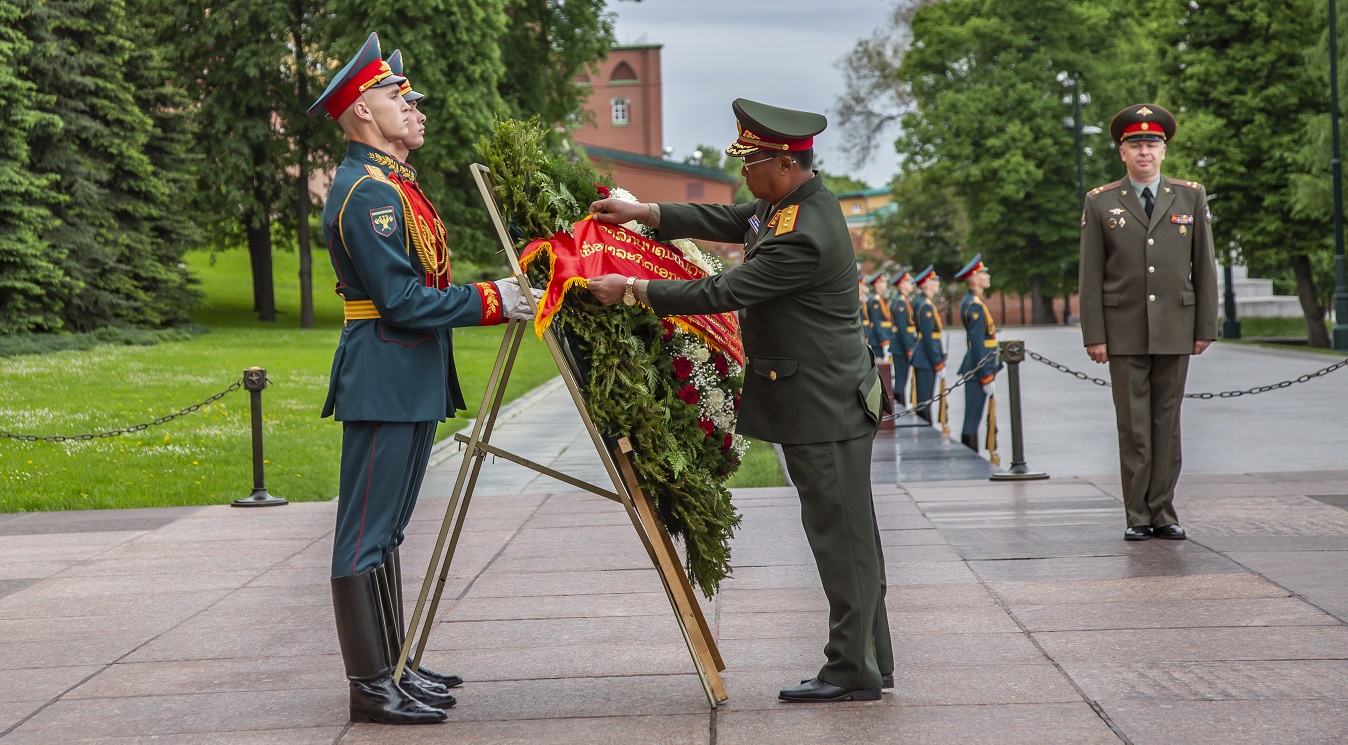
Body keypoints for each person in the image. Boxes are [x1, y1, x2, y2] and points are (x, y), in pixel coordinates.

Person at [585, 98, 892, 703]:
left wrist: (633, 290)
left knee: (841, 536)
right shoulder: (787, 206)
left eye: (751, 163)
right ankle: (869, 661)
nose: (743, 174)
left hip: (823, 403)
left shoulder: (802, 233)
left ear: (783, 162)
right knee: (850, 533)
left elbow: (724, 288)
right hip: (825, 396)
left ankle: (853, 670)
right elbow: (731, 220)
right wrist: (644, 212)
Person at [308, 32, 538, 725]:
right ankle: (370, 684)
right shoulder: (365, 196)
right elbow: (403, 300)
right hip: (384, 370)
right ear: (360, 114)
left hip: (404, 371)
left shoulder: (390, 186)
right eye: (394, 96)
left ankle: (395, 664)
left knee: (390, 529)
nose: (412, 107)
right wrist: (493, 298)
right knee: (363, 533)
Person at [1079, 103, 1217, 542]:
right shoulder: (1101, 202)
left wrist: (1204, 327)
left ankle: (1163, 511)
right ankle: (1137, 514)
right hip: (1123, 330)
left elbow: (1205, 266)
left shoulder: (1190, 195)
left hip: (1176, 326)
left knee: (1166, 423)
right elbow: (1090, 274)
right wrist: (1094, 335)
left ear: (1163, 151)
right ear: (1122, 152)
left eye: (1152, 144)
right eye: (1135, 144)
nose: (1144, 152)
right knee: (1134, 425)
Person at [954, 255, 1001, 452]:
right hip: (977, 366)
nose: (987, 276)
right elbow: (977, 342)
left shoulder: (976, 302)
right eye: (983, 273)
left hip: (979, 364)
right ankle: (970, 457)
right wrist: (986, 374)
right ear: (974, 278)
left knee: (975, 416)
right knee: (972, 417)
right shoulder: (974, 305)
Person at [910, 266, 945, 422]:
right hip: (925, 358)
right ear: (926, 284)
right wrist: (938, 361)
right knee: (925, 402)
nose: (937, 283)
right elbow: (929, 337)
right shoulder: (925, 306)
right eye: (933, 280)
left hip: (925, 358)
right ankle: (924, 431)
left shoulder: (925, 303)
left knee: (926, 400)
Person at [887, 270, 917, 405]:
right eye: (908, 282)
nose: (911, 285)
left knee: (902, 380)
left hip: (901, 346)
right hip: (901, 347)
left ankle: (901, 407)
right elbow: (903, 329)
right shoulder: (900, 303)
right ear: (901, 285)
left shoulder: (903, 301)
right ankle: (899, 409)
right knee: (901, 380)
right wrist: (909, 349)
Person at [864, 272, 896, 360]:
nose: (885, 283)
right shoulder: (875, 300)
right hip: (879, 340)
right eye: (883, 282)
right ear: (877, 284)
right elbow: (877, 322)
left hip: (884, 336)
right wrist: (884, 341)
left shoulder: (880, 299)